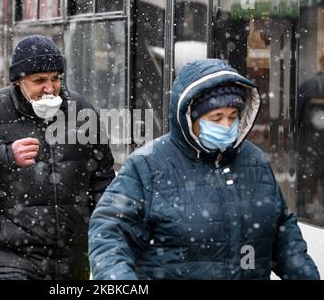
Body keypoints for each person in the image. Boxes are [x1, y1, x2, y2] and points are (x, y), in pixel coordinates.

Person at [88, 59, 320, 280]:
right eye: (216, 117)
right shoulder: (147, 166)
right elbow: (109, 235)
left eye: (233, 116)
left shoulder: (255, 161)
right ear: (189, 117)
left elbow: (283, 235)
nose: (227, 126)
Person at [0, 35, 115, 280]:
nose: (50, 88)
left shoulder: (82, 111)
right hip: (8, 260)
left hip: (71, 262)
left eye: (55, 79)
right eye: (39, 80)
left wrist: (107, 234)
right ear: (19, 80)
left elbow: (103, 180)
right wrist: (3, 155)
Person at [297, 54, 324, 223]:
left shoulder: (309, 85)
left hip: (311, 148)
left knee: (307, 191)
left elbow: (297, 117)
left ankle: (306, 218)